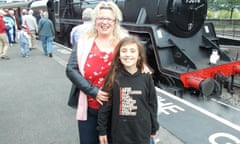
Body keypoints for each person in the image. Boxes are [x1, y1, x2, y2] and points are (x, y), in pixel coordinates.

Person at [65, 1, 128, 144]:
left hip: (116, 110)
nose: (104, 22)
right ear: (95, 20)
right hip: (90, 110)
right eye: (101, 18)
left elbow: (135, 64)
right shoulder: (84, 40)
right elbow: (71, 69)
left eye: (109, 19)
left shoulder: (124, 41)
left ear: (115, 21)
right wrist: (94, 91)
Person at [97, 36, 159, 144]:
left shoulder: (146, 77)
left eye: (133, 51)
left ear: (139, 56)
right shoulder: (113, 77)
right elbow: (105, 106)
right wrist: (102, 131)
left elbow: (152, 104)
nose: (128, 55)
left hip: (142, 132)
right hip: (120, 134)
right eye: (124, 51)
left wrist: (154, 128)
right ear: (119, 56)